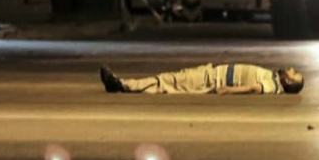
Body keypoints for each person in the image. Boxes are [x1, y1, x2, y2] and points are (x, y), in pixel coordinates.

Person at [100, 63, 304, 95]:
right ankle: (123, 85)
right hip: (211, 73)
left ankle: (121, 84)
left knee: (166, 80)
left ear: (288, 83)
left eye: (294, 73)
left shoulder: (273, 85)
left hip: (213, 80)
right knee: (170, 83)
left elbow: (254, 88)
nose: (292, 69)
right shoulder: (274, 77)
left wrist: (228, 90)